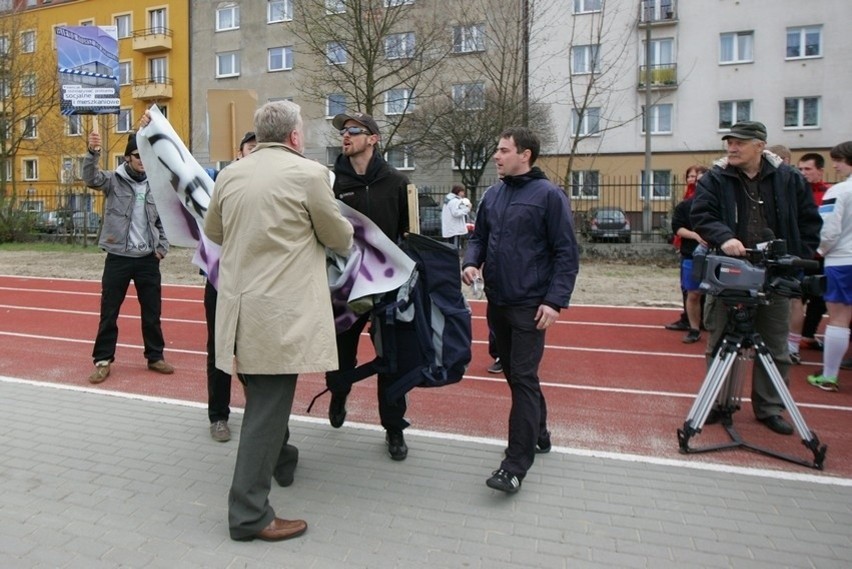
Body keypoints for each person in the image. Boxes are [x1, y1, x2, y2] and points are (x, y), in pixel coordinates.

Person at [204, 100, 353, 542]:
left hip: (238, 310)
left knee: (266, 402)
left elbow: (214, 231)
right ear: (293, 136)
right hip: (278, 316)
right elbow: (339, 237)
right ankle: (249, 514)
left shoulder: (231, 174)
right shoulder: (308, 174)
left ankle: (283, 459)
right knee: (266, 412)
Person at [462, 127, 579, 493]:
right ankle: (540, 433)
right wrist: (471, 261)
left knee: (524, 378)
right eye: (497, 150)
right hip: (498, 302)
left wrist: (554, 301)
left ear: (525, 154)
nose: (496, 156)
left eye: (503, 150)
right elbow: (479, 236)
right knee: (516, 374)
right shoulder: (494, 195)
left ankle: (514, 467)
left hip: (531, 306)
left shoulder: (549, 196)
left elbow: (566, 253)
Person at [691, 121, 822, 435]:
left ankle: (769, 408)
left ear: (760, 145)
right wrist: (724, 238)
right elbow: (702, 215)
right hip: (729, 273)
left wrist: (794, 256)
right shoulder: (715, 178)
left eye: (740, 143)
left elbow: (809, 222)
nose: (732, 148)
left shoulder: (789, 179)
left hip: (774, 276)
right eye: (730, 143)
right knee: (720, 342)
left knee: (775, 345)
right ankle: (719, 403)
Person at [326, 111, 412, 461]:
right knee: (338, 356)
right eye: (343, 131)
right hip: (344, 290)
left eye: (353, 131)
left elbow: (410, 236)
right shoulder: (331, 182)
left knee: (391, 361)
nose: (345, 136)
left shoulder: (396, 182)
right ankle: (338, 392)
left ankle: (393, 428)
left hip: (386, 291)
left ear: (373, 139)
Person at [83, 131, 174, 384]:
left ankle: (155, 357)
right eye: (137, 155)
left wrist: (161, 247)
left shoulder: (157, 183)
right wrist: (93, 152)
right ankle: (103, 360)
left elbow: (163, 220)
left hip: (147, 258)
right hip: (118, 257)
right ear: (127, 158)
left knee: (152, 312)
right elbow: (90, 177)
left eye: (146, 155)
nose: (142, 159)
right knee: (109, 312)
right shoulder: (113, 180)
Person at [204, 131, 257, 442]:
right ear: (239, 153)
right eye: (251, 147)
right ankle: (218, 416)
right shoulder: (220, 182)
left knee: (254, 348)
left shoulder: (271, 186)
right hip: (220, 279)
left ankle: (257, 411)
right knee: (219, 349)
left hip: (256, 281)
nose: (256, 152)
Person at [807, 141, 852, 391]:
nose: (834, 164)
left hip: (842, 261)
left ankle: (829, 375)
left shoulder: (839, 191)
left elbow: (829, 229)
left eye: (839, 160)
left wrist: (819, 251)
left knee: (838, 318)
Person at [794, 153, 832, 356]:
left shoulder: (829, 193)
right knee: (797, 297)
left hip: (823, 255)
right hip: (801, 255)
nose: (803, 173)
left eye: (807, 169)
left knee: (819, 299)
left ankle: (807, 336)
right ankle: (791, 340)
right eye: (800, 169)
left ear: (820, 170)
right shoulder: (795, 192)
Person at [671, 165, 708, 343]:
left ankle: (714, 326)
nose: (699, 183)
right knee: (692, 293)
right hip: (692, 255)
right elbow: (677, 228)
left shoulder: (721, 205)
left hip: (717, 257)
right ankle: (694, 328)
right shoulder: (685, 206)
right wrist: (694, 235)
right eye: (697, 180)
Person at [441, 184, 471, 249]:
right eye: (463, 192)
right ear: (459, 192)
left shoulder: (449, 200)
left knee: (451, 246)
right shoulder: (454, 201)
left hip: (450, 228)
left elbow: (460, 207)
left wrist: (466, 207)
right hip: (454, 229)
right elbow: (456, 213)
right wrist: (468, 209)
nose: (463, 194)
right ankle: (455, 258)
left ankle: (452, 258)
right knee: (455, 247)